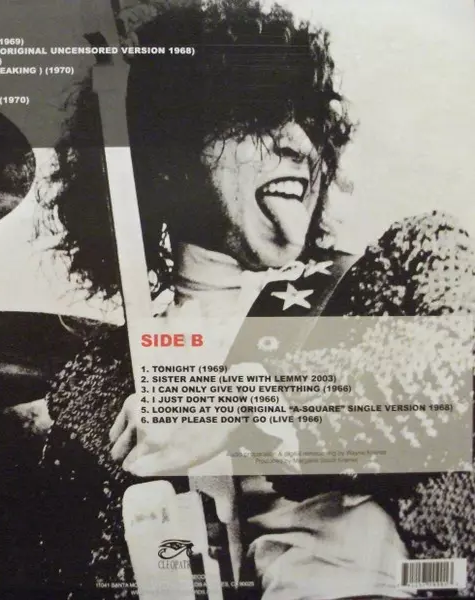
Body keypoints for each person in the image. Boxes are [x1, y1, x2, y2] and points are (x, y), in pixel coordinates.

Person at [39, 1, 475, 598]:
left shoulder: (404, 267)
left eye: (308, 124)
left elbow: (456, 375)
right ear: (170, 161)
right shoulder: (99, 384)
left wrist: (234, 405)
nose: (300, 145)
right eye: (257, 120)